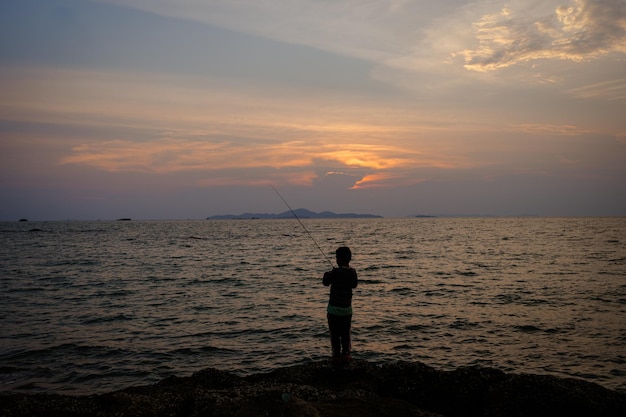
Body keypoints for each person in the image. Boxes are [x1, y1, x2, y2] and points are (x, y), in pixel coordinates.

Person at [323, 246, 358, 363]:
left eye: (337, 258)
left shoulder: (335, 272)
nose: (336, 260)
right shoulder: (353, 272)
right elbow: (354, 285)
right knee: (345, 333)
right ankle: (346, 354)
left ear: (341, 259)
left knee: (335, 334)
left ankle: (336, 355)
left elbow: (325, 282)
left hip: (333, 310)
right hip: (347, 310)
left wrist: (326, 274)